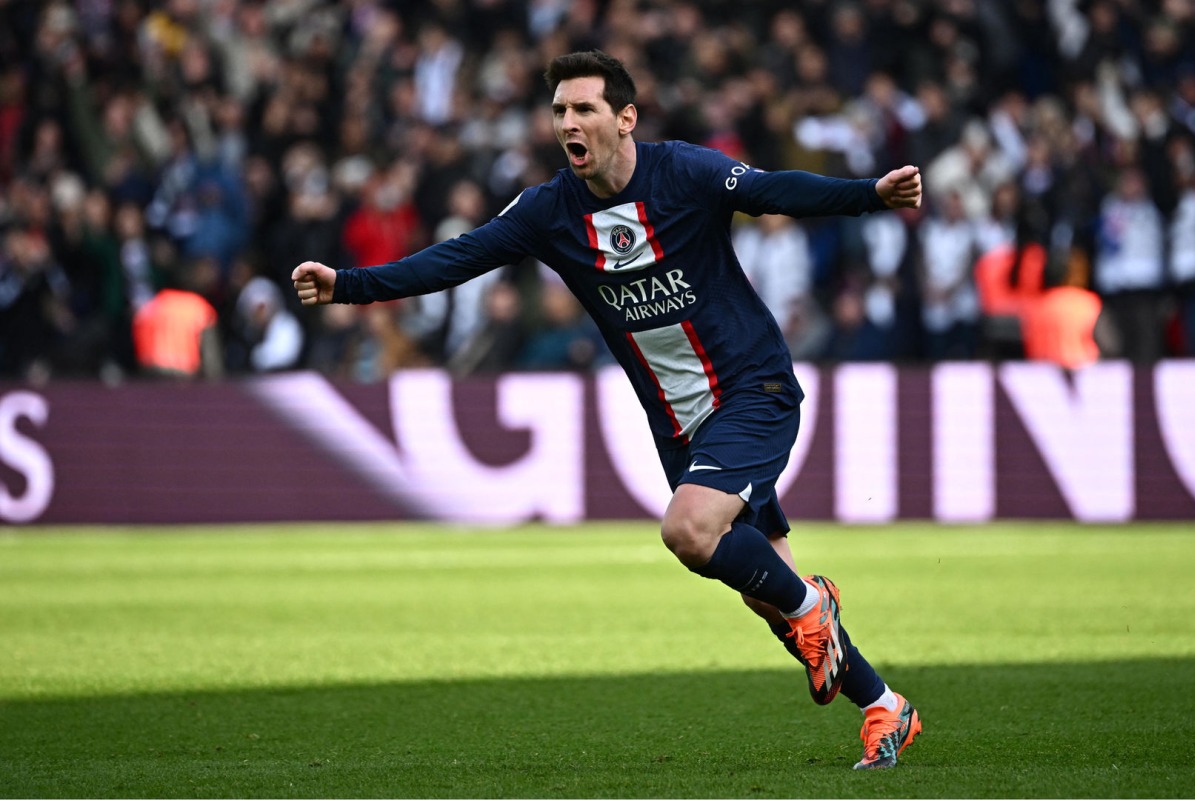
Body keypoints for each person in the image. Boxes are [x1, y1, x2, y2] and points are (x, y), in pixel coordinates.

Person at [292, 50, 924, 771]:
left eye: (584, 107)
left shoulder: (684, 171)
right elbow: (456, 258)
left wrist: (870, 193)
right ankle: (884, 706)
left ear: (625, 118)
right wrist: (348, 285)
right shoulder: (549, 211)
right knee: (764, 595)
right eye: (559, 110)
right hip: (679, 424)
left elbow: (777, 189)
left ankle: (816, 607)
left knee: (691, 532)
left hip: (753, 389)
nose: (568, 121)